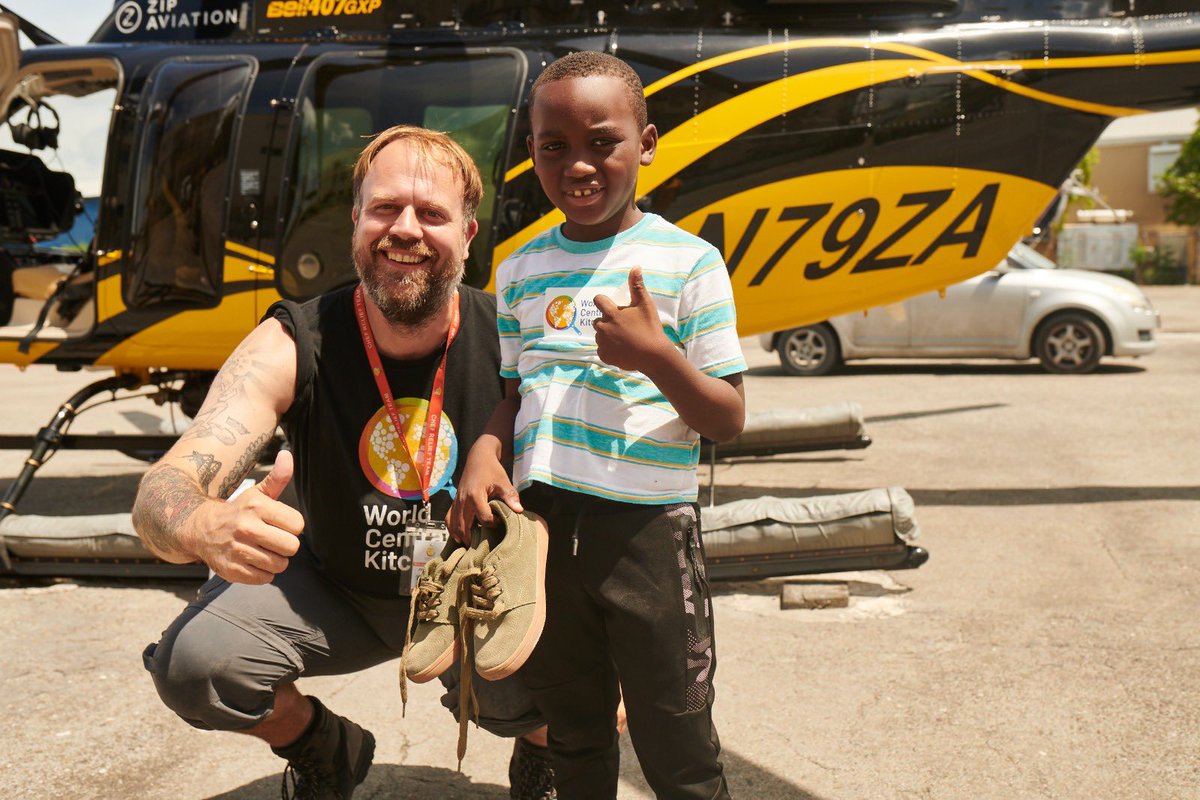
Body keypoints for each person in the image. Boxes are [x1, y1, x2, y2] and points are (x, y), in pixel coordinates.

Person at [132, 125, 554, 800]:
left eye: (433, 214)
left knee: (586, 655)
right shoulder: (293, 339)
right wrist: (196, 524)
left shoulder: (515, 337)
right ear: (356, 220)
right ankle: (324, 746)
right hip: (335, 589)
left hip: (471, 596)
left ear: (470, 236)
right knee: (194, 667)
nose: (405, 230)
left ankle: (543, 751)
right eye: (385, 208)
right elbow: (162, 488)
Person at [449, 52, 746, 799]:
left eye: (602, 142)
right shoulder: (518, 270)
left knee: (675, 737)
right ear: (532, 153)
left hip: (648, 533)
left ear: (646, 142)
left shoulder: (691, 264)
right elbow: (515, 393)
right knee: (574, 732)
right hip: (546, 536)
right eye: (556, 147)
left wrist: (658, 360)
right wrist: (485, 450)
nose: (578, 166)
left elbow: (728, 417)